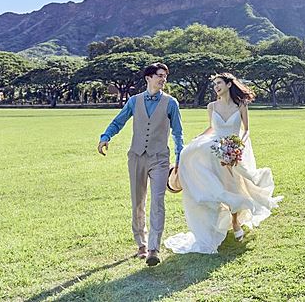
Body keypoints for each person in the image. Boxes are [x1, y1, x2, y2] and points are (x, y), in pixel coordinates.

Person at [164, 72, 282, 254]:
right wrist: (199, 137)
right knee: (215, 181)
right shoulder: (211, 106)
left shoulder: (241, 105)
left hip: (234, 148)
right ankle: (218, 220)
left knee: (235, 184)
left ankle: (235, 221)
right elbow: (213, 127)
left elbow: (246, 130)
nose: (216, 87)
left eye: (219, 83)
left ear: (228, 84)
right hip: (215, 148)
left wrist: (238, 146)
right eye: (214, 85)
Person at [96, 62, 184, 266]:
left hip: (160, 159)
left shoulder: (171, 103)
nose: (163, 79)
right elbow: (119, 121)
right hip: (137, 157)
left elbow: (178, 133)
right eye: (159, 75)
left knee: (158, 202)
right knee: (138, 201)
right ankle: (141, 243)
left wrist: (179, 157)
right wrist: (105, 136)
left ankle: (154, 248)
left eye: (165, 76)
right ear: (148, 78)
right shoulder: (134, 101)